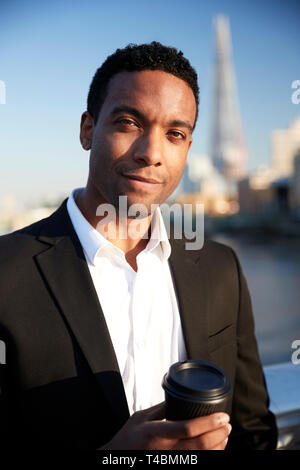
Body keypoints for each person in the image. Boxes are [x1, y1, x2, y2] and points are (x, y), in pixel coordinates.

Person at [0, 42, 277, 451]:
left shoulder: (221, 268)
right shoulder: (7, 274)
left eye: (175, 134)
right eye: (129, 123)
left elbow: (253, 430)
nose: (152, 153)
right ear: (87, 129)